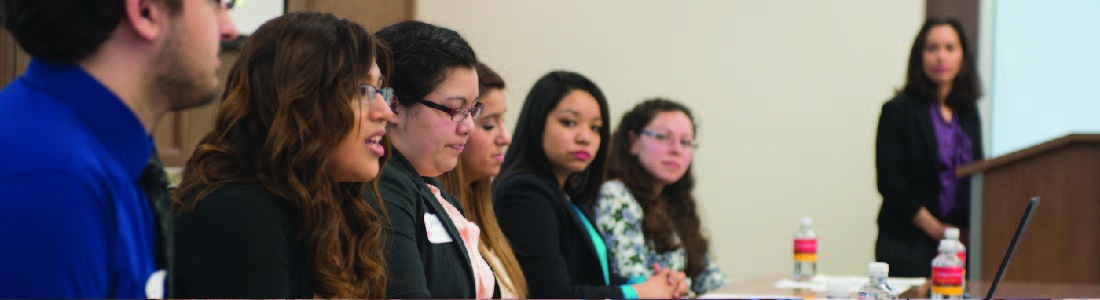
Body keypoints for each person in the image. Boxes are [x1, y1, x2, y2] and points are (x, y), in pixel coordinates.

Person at [0, 0, 236, 297]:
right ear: (146, 11)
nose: (229, 29)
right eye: (216, 3)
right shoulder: (54, 182)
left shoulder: (107, 155)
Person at [171, 12, 393, 298]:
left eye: (381, 90)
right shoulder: (237, 211)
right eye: (361, 90)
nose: (385, 112)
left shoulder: (331, 209)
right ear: (296, 101)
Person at [493, 71, 685, 299]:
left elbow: (594, 278)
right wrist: (639, 293)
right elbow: (553, 294)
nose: (585, 137)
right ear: (537, 122)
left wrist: (656, 284)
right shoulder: (524, 194)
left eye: (595, 128)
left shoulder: (568, 194)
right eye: (569, 123)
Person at [366, 20, 494, 299]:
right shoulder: (383, 184)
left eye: (473, 109)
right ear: (394, 105)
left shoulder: (433, 190)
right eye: (456, 109)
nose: (468, 126)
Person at [875, 17, 984, 277]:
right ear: (920, 56)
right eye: (932, 48)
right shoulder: (898, 110)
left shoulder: (968, 113)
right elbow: (890, 181)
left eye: (949, 48)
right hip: (908, 241)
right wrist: (936, 229)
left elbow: (980, 172)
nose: (941, 57)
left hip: (960, 246)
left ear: (962, 57)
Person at [595, 98, 730, 296]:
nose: (676, 149)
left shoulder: (675, 202)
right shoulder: (615, 195)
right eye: (663, 137)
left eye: (685, 142)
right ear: (633, 142)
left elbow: (707, 275)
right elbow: (635, 281)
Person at [437, 62, 526, 299]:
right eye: (488, 125)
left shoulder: (485, 217)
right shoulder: (436, 221)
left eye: (503, 121)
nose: (505, 138)